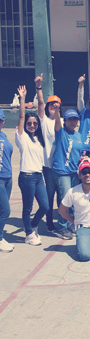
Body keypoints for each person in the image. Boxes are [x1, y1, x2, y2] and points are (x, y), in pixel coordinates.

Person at [15, 85, 48, 246]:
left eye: (35, 123)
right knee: (27, 207)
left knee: (45, 206)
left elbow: (41, 110)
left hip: (38, 176)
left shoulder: (38, 139)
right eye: (30, 123)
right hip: (26, 176)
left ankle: (33, 226)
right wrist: (22, 98)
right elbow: (21, 117)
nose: (32, 125)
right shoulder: (22, 137)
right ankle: (28, 234)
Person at [52, 109, 88, 241]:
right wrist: (57, 113)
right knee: (65, 198)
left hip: (74, 172)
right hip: (62, 171)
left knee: (73, 199)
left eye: (75, 119)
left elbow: (79, 152)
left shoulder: (78, 135)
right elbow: (57, 123)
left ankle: (70, 224)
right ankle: (62, 226)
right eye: (70, 119)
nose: (73, 121)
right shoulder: (61, 132)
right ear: (65, 121)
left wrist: (83, 158)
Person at [36, 78, 62, 232]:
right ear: (48, 107)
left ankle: (62, 221)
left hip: (61, 165)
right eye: (52, 105)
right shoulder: (44, 121)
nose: (54, 107)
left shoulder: (64, 122)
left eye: (57, 106)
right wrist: (39, 87)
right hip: (48, 165)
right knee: (50, 194)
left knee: (61, 194)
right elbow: (40, 104)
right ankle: (49, 222)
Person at [0, 108, 13, 252]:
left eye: (0, 120)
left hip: (8, 177)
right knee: (5, 211)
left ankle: (1, 236)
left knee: (1, 210)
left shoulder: (3, 135)